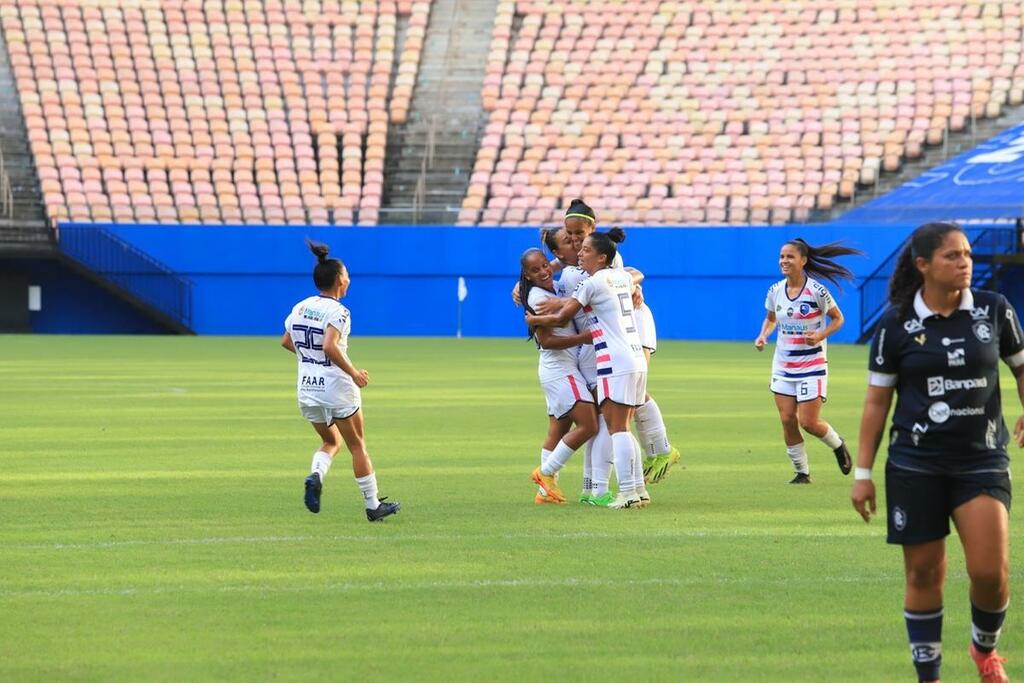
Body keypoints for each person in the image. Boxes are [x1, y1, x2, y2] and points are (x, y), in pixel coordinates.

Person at [852, 222, 1024, 683]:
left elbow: (1021, 367)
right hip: (914, 463)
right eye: (952, 255)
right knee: (925, 574)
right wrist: (862, 473)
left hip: (982, 459)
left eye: (967, 253)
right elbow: (876, 402)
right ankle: (929, 676)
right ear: (923, 265)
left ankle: (984, 651)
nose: (965, 261)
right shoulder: (895, 325)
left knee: (991, 572)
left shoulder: (995, 310)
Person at [545, 199, 681, 485]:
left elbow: (632, 273)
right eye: (568, 234)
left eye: (578, 234)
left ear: (592, 228)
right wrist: (525, 282)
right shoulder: (576, 259)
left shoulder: (604, 255)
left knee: (630, 394)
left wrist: (634, 285)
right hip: (614, 330)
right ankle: (608, 482)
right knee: (619, 401)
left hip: (632, 325)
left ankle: (658, 453)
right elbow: (556, 262)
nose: (572, 239)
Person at [526, 231, 649, 509]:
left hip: (612, 360)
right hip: (635, 356)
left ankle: (626, 492)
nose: (580, 252)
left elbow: (561, 317)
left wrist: (533, 318)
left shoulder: (591, 282)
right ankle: (636, 491)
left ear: (601, 257)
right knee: (619, 427)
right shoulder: (621, 277)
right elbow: (635, 276)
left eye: (585, 250)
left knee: (616, 428)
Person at [281, 240, 400, 522]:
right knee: (357, 445)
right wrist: (354, 373)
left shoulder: (300, 306)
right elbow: (330, 346)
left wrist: (310, 359)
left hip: (307, 387)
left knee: (329, 441)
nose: (348, 279)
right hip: (336, 387)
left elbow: (286, 341)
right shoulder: (339, 312)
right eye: (345, 275)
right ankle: (373, 506)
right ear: (338, 281)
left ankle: (316, 475)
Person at [754, 238, 858, 483]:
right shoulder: (775, 291)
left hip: (812, 366)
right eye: (781, 257)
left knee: (809, 422)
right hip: (783, 364)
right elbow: (771, 318)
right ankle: (802, 472)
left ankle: (837, 444)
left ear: (803, 261)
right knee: (787, 419)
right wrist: (763, 335)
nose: (784, 261)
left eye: (790, 257)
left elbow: (838, 319)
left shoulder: (817, 291)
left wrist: (821, 334)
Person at [518, 248, 598, 503]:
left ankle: (545, 494)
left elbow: (566, 263)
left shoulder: (552, 288)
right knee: (589, 425)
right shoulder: (539, 297)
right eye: (535, 270)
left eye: (544, 265)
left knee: (558, 428)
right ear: (527, 276)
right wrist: (584, 338)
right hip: (561, 368)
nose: (543, 271)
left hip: (556, 369)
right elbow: (548, 341)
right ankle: (546, 473)